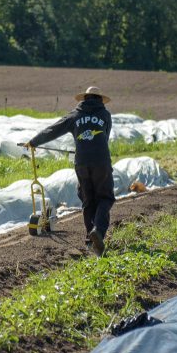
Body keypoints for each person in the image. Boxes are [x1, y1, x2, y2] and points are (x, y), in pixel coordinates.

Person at [21, 86, 114, 256]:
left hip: (81, 163)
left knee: (87, 199)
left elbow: (54, 129)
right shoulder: (105, 115)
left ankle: (89, 240)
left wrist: (33, 142)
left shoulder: (75, 115)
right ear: (100, 99)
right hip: (101, 162)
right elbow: (104, 138)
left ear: (84, 99)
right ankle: (98, 232)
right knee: (105, 197)